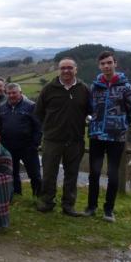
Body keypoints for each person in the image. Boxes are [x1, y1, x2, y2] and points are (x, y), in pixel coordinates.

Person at [84, 51, 131, 222]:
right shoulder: (95, 86)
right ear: (99, 66)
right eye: (103, 63)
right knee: (94, 173)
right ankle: (91, 207)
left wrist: (120, 124)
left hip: (116, 138)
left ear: (115, 63)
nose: (106, 66)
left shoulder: (126, 87)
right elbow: (90, 107)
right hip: (97, 136)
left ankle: (109, 210)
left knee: (113, 174)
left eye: (109, 63)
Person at [35, 57, 91, 216]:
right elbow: (38, 112)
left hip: (75, 140)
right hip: (52, 139)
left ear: (76, 69)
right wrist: (49, 128)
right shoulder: (49, 89)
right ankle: (46, 201)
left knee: (72, 174)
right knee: (49, 173)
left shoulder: (84, 89)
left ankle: (68, 205)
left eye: (69, 68)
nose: (66, 71)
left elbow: (89, 111)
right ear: (59, 70)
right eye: (63, 68)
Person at [0, 83, 42, 196]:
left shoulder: (31, 106)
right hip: (9, 146)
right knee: (12, 172)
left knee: (34, 173)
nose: (11, 95)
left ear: (20, 93)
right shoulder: (2, 107)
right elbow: (1, 125)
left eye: (14, 93)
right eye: (9, 93)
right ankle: (16, 194)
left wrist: (35, 144)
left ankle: (38, 196)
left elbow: (38, 126)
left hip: (27, 146)